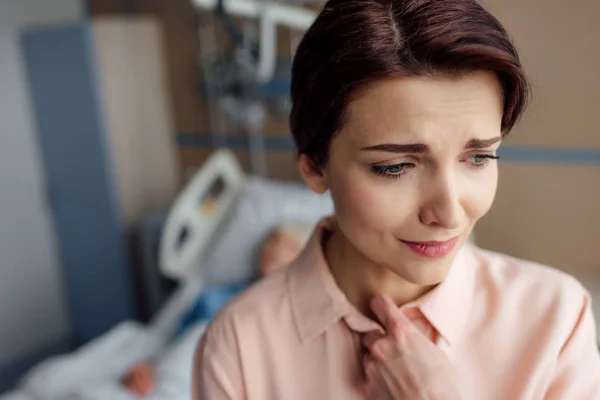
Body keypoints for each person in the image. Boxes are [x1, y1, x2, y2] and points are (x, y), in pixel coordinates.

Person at [193, 0, 600, 399]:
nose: (448, 212)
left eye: (477, 158)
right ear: (315, 168)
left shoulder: (555, 319)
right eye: (395, 167)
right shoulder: (238, 346)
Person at [123, 222, 310, 397]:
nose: (276, 247)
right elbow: (181, 338)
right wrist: (151, 366)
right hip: (181, 372)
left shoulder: (297, 313)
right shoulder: (213, 297)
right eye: (273, 239)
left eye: (288, 245)